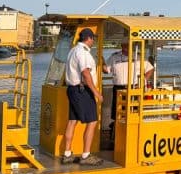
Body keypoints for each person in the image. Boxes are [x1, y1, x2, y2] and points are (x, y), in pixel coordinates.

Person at [62, 28, 104, 166]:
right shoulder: (83, 52)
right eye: (93, 39)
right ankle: (86, 155)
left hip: (72, 89)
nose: (93, 41)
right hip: (82, 90)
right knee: (92, 121)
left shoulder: (72, 51)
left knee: (72, 120)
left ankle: (67, 154)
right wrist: (96, 93)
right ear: (89, 38)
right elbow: (86, 74)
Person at [106, 42, 154, 136]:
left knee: (133, 112)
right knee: (117, 113)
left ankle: (133, 134)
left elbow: (150, 69)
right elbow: (106, 70)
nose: (126, 47)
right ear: (121, 46)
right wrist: (100, 60)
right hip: (118, 88)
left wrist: (143, 81)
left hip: (133, 88)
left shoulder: (138, 57)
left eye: (128, 45)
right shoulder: (114, 57)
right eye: (124, 45)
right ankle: (117, 135)